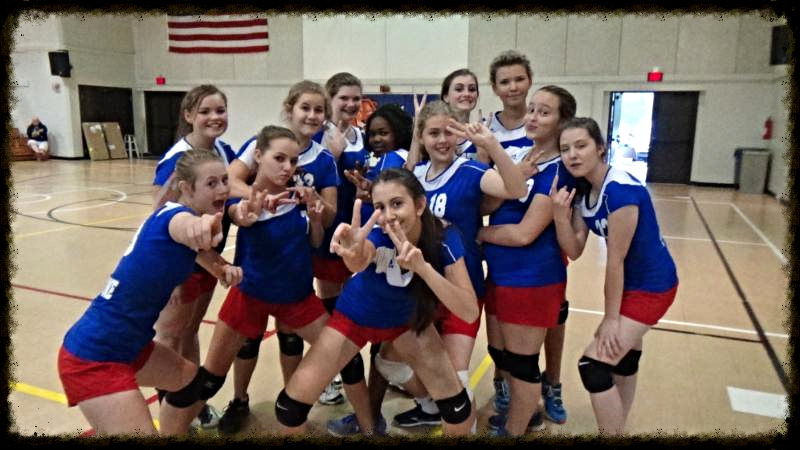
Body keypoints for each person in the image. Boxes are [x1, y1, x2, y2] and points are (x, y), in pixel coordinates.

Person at [275, 168, 480, 437]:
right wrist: (353, 254)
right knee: (289, 409)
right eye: (380, 207)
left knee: (457, 408)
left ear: (420, 205)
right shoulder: (376, 233)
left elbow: (469, 311)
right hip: (355, 317)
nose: (388, 215)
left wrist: (423, 268)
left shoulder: (444, 237)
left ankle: (422, 407)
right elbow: (360, 258)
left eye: (397, 203)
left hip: (406, 321)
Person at [57, 149, 241, 435]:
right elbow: (189, 229)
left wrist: (225, 269)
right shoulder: (177, 219)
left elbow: (204, 256)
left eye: (224, 180)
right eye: (211, 183)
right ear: (186, 188)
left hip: (131, 345)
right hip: (94, 356)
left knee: (189, 382)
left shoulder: (169, 217)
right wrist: (204, 227)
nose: (222, 189)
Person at [383, 100, 525, 430]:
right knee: (389, 364)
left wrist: (491, 145)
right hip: (421, 291)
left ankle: (459, 424)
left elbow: (516, 189)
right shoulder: (414, 178)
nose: (442, 140)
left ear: (460, 134)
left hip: (462, 288)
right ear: (422, 137)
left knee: (456, 381)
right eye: (433, 133)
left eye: (449, 132)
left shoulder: (470, 171)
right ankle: (429, 406)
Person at [216, 81, 341, 434]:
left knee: (291, 335)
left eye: (319, 110)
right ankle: (239, 399)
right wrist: (261, 199)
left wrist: (314, 205)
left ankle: (293, 402)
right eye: (305, 107)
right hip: (257, 265)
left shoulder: (323, 159)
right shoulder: (263, 143)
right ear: (290, 109)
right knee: (248, 339)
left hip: (297, 260)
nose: (312, 115)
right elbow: (230, 182)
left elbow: (328, 215)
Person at [551, 117, 679, 434]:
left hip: (652, 286)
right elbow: (574, 249)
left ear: (600, 148)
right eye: (565, 149)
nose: (572, 155)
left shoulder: (620, 191)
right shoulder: (584, 192)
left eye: (581, 146)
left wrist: (611, 318)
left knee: (593, 365)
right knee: (623, 359)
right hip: (631, 285)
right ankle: (617, 428)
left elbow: (615, 261)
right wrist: (559, 216)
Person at [477, 86, 577, 436]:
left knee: (521, 364)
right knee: (500, 354)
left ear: (562, 121)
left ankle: (517, 427)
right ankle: (523, 414)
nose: (532, 117)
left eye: (544, 112)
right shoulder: (520, 157)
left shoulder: (562, 171)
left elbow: (524, 234)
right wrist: (515, 176)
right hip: (500, 274)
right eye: (532, 109)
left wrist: (478, 234)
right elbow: (485, 203)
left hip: (532, 279)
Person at [150, 85, 238, 430]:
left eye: (220, 110)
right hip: (181, 264)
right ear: (188, 116)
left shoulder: (224, 151)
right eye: (205, 111)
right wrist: (169, 276)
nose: (215, 117)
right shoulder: (176, 162)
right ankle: (170, 412)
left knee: (189, 331)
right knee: (170, 337)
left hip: (207, 258)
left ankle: (190, 401)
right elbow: (160, 219)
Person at [327, 103, 414, 435]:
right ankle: (371, 413)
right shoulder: (377, 160)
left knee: (383, 347)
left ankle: (422, 404)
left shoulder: (396, 159)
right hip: (371, 255)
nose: (377, 139)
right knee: (380, 349)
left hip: (388, 260)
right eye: (373, 133)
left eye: (384, 133)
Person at [480, 50, 535, 417]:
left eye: (519, 79)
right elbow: (481, 196)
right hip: (501, 233)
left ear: (529, 80)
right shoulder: (488, 130)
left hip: (540, 235)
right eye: (505, 81)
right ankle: (502, 382)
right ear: (495, 87)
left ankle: (548, 386)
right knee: (499, 323)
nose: (513, 87)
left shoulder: (542, 123)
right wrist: (516, 180)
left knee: (545, 322)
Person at [439, 69, 480, 159]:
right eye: (459, 89)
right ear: (446, 96)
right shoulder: (434, 133)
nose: (467, 94)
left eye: (472, 89)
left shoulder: (483, 132)